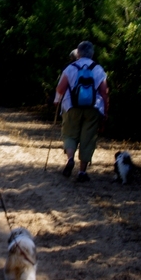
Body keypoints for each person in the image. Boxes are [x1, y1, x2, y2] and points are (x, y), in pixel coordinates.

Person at [54, 41, 109, 182]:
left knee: (70, 135)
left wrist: (58, 101)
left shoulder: (70, 68)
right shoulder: (98, 69)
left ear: (78, 53)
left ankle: (70, 159)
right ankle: (82, 172)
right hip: (93, 108)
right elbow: (104, 92)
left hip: (71, 107)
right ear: (92, 53)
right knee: (88, 139)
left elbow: (60, 89)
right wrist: (105, 112)